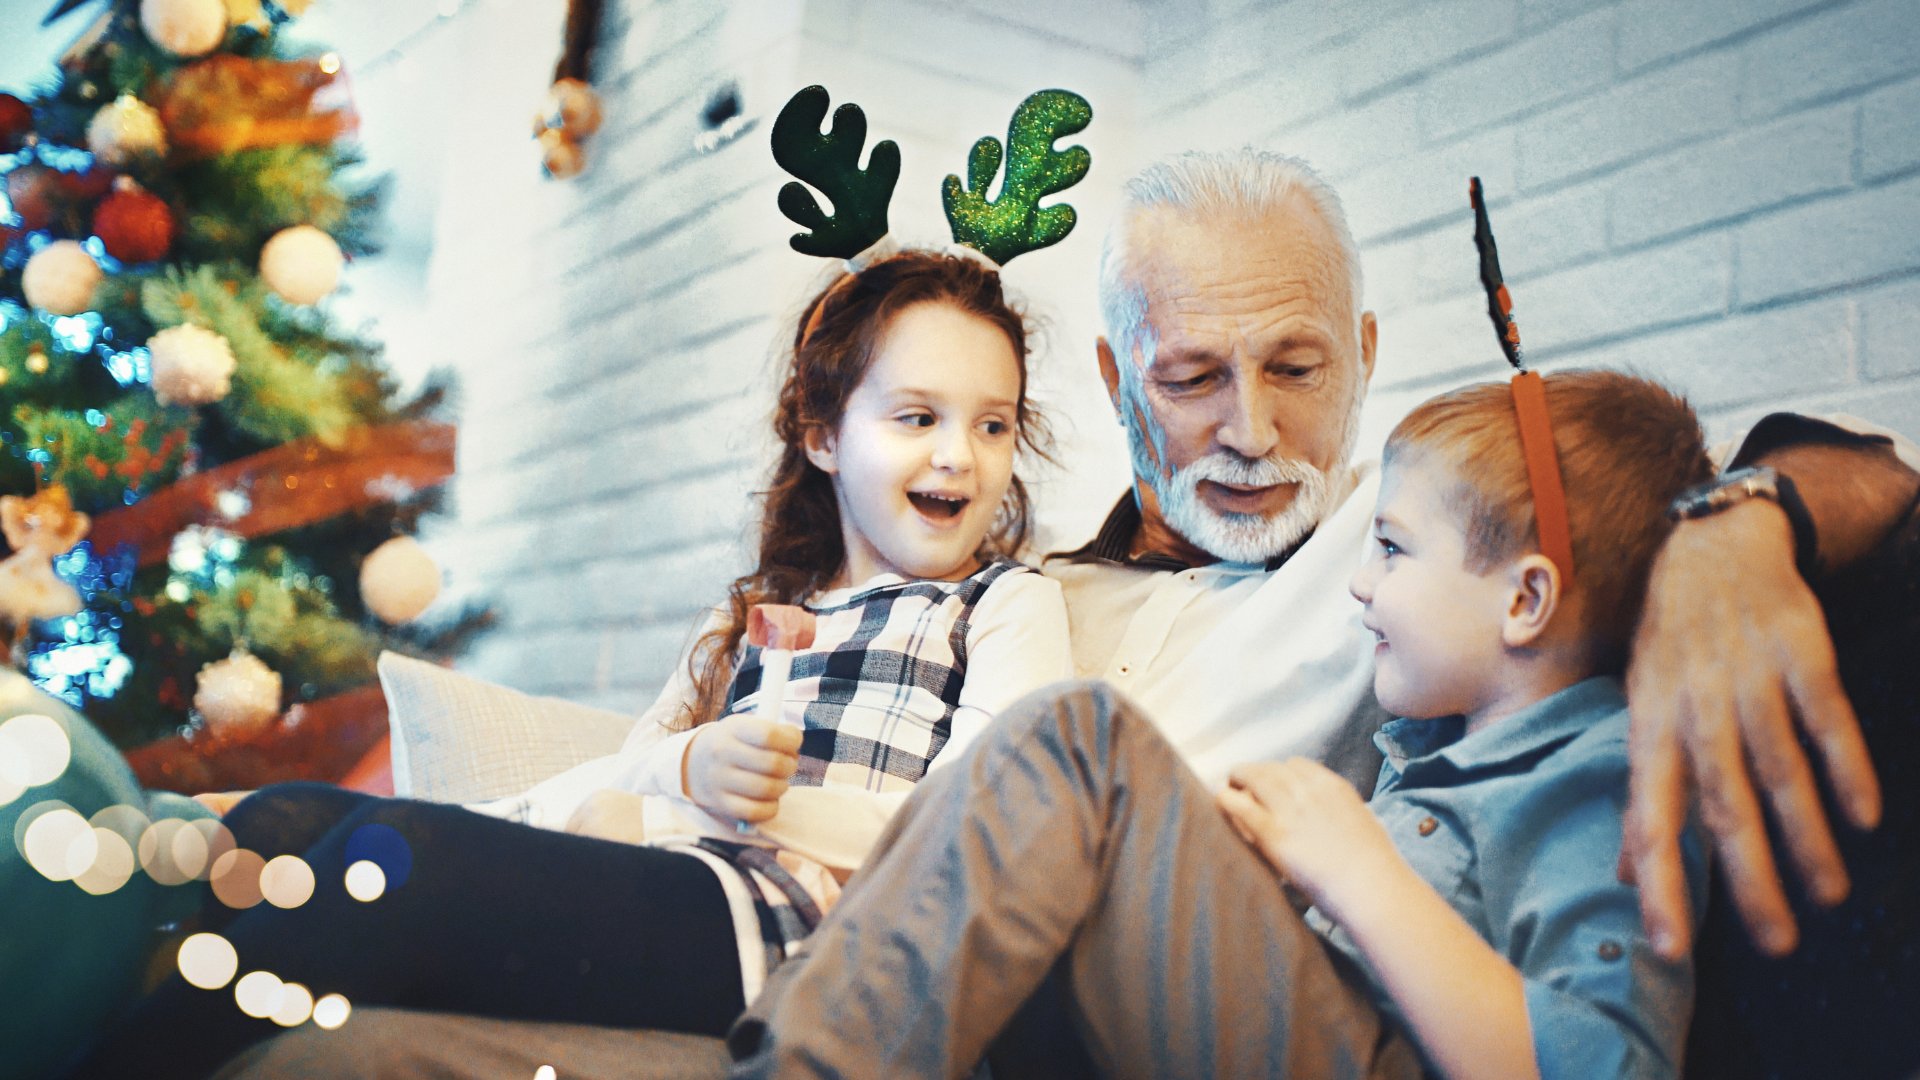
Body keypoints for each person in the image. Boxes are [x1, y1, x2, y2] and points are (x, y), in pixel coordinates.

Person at [212, 149, 1920, 1079]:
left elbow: (1776, 477)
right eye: (1192, 378)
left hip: (1042, 988)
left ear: (1370, 364)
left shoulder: (1414, 552)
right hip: (861, 941)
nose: (1251, 427)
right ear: (1119, 380)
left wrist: (1735, 526)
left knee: (1071, 754)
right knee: (334, 1051)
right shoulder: (1027, 587)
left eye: (1297, 368)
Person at [62, 249, 1073, 1080]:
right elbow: (626, 781)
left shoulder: (1002, 603)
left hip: (817, 941)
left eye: (992, 425)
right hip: (686, 890)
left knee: (386, 877)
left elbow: (975, 836)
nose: (960, 457)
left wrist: (756, 806)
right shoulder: (758, 619)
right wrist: (682, 773)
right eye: (916, 417)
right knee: (289, 820)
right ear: (821, 435)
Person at [730, 368, 1717, 1077]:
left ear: (1525, 600)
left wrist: (1360, 876)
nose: (1362, 584)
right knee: (1079, 796)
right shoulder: (1437, 747)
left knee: (1083, 738)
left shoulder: (1613, 777)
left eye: (1392, 548)